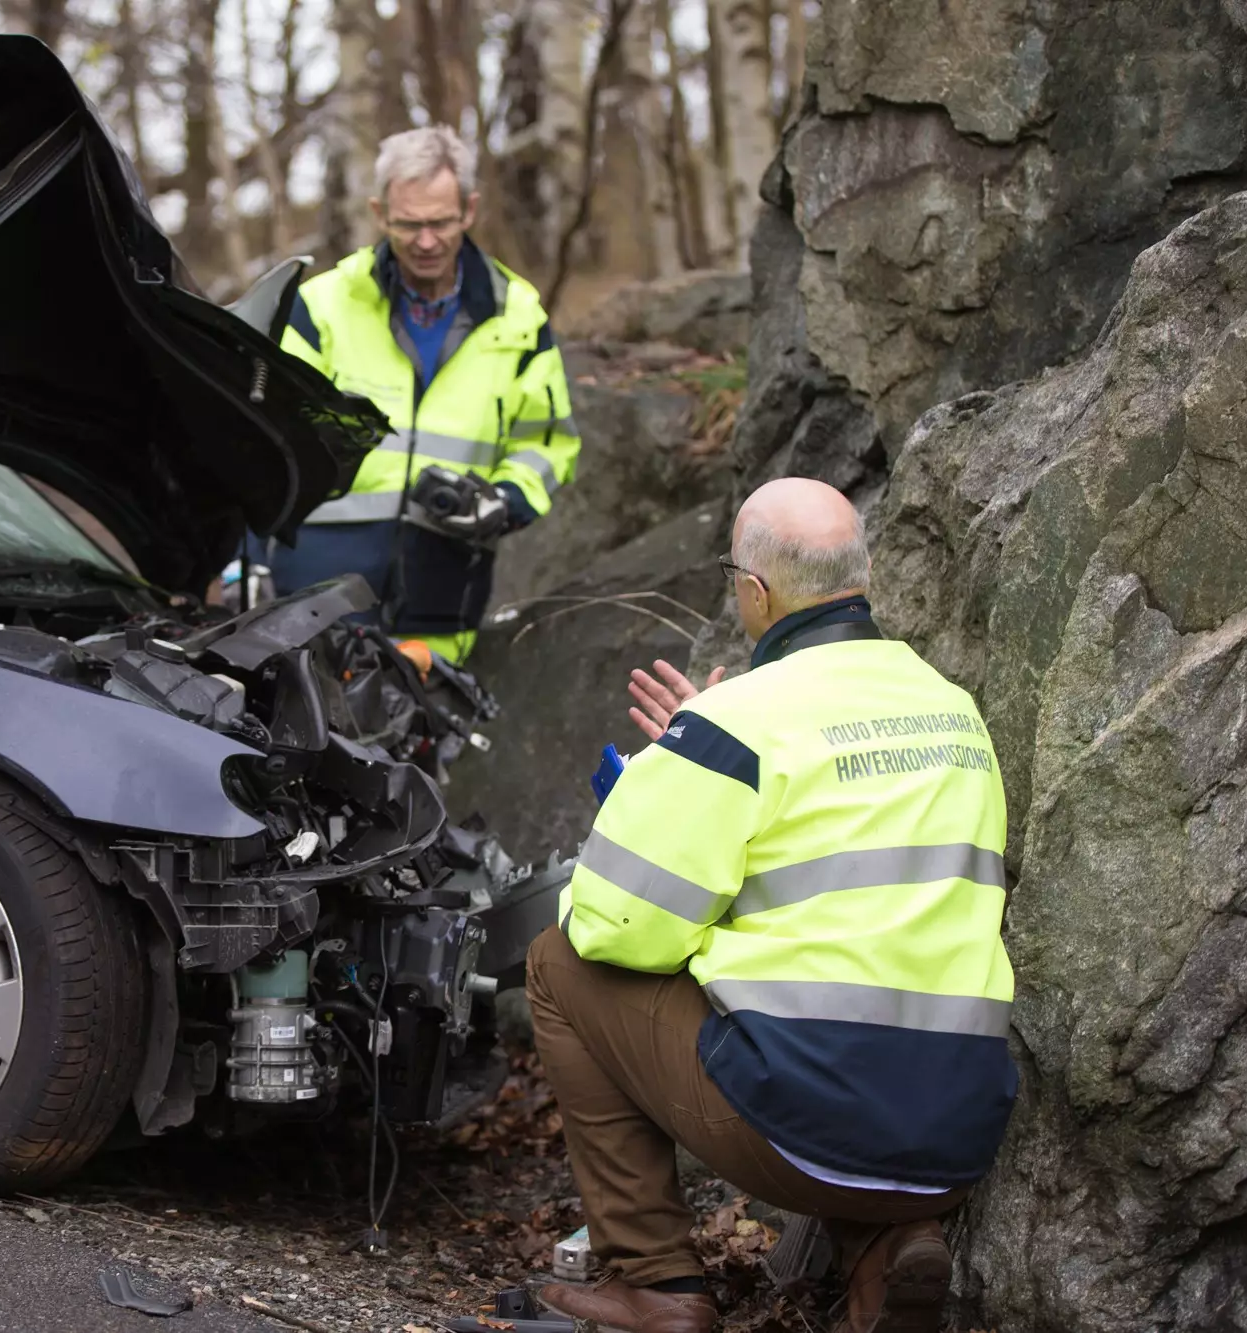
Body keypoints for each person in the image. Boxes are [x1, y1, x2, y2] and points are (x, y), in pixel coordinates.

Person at [526, 478, 1018, 1333]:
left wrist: (670, 773)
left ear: (755, 591)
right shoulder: (955, 711)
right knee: (836, 1025)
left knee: (556, 963)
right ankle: (887, 1248)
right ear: (860, 577)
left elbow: (614, 925)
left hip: (809, 1133)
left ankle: (656, 1281)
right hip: (959, 1133)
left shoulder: (737, 723)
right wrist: (703, 749)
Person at [256, 125, 580, 666]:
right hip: (319, 590)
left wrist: (504, 501)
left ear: (469, 211)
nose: (426, 241)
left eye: (440, 222)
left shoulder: (518, 316)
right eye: (409, 224)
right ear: (380, 213)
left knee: (423, 741)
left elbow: (546, 443)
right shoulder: (321, 308)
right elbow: (262, 436)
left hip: (443, 591)